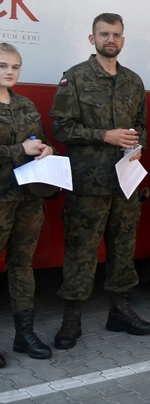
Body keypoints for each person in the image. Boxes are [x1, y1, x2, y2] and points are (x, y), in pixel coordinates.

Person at [50, 13, 150, 350]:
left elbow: (143, 126)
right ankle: (71, 320)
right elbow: (60, 129)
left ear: (123, 40)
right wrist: (104, 135)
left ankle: (120, 312)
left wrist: (138, 147)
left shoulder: (134, 82)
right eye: (105, 34)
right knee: (81, 253)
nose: (112, 40)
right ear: (92, 39)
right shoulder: (75, 78)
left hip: (125, 184)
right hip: (88, 185)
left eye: (117, 35)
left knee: (123, 250)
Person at [0, 43, 54, 366]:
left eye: (15, 67)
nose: (9, 72)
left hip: (28, 199)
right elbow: (21, 147)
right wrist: (20, 149)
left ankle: (25, 335)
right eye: (3, 65)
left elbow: (39, 138)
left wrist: (45, 150)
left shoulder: (27, 105)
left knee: (22, 265)